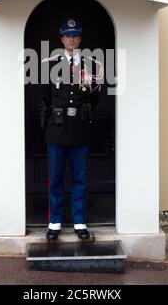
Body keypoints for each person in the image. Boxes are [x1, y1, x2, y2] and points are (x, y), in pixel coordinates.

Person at [39, 17, 103, 241]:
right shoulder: (50, 64)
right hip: (57, 131)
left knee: (79, 179)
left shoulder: (91, 64)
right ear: (62, 39)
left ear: (80, 38)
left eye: (75, 35)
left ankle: (79, 221)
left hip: (79, 130)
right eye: (67, 35)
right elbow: (45, 97)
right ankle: (54, 222)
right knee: (55, 179)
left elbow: (94, 98)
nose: (71, 39)